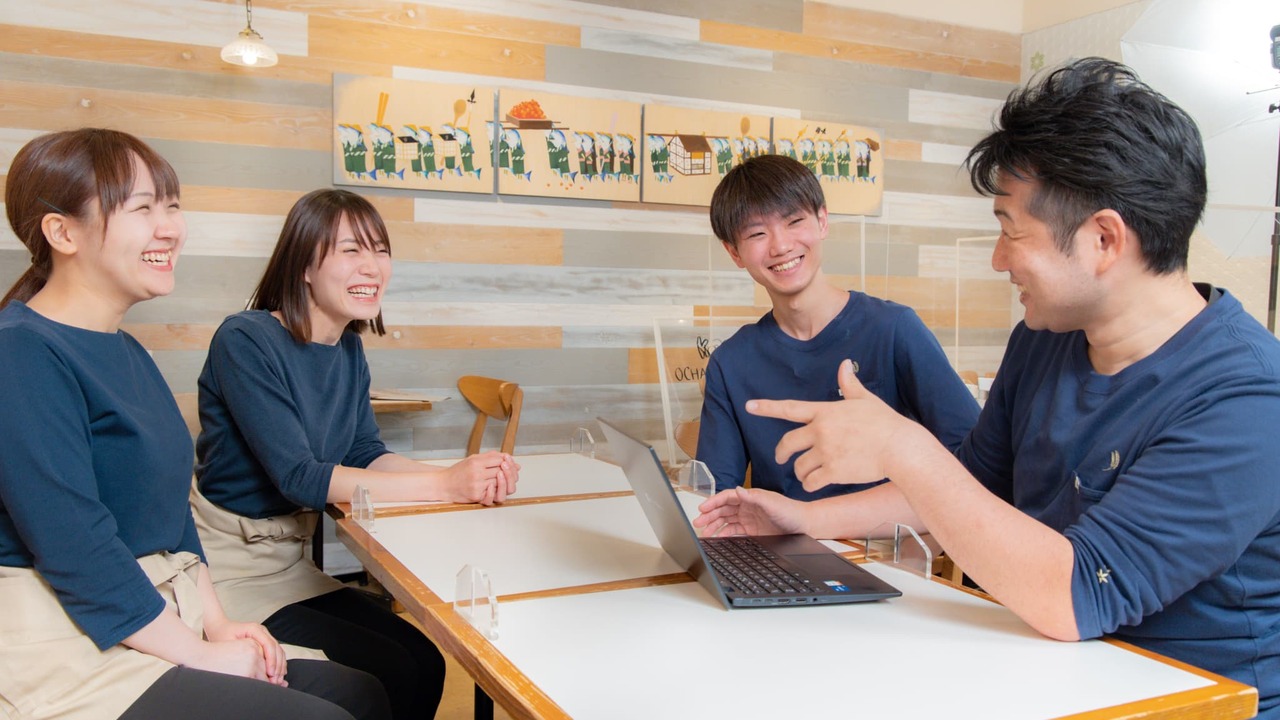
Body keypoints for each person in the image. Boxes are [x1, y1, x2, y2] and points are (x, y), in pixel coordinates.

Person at [694, 57, 1280, 716]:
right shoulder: (1045, 339)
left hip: (1186, 699)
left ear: (1104, 239)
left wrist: (901, 448)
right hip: (1048, 672)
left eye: (1010, 229)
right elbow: (963, 495)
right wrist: (798, 519)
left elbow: (1078, 592)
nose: (998, 258)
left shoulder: (1247, 397)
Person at [0, 128, 389, 720]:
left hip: (158, 606)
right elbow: (76, 547)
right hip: (64, 643)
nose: (170, 228)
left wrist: (218, 626)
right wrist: (196, 653)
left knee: (362, 691)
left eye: (172, 205)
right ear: (62, 232)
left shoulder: (129, 352)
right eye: (142, 208)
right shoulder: (21, 352)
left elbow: (171, 519)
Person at [191, 188, 520, 720]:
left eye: (380, 250)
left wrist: (457, 475)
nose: (372, 266)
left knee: (424, 661)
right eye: (350, 250)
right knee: (385, 674)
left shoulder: (347, 347)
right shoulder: (245, 339)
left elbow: (365, 451)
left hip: (292, 565)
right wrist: (442, 486)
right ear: (303, 264)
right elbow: (299, 476)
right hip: (228, 575)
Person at [697, 154, 979, 501]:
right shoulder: (730, 363)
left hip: (877, 547)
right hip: (785, 549)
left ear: (823, 221)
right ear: (734, 253)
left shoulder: (894, 329)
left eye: (794, 221)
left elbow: (974, 460)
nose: (781, 245)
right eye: (757, 233)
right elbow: (713, 496)